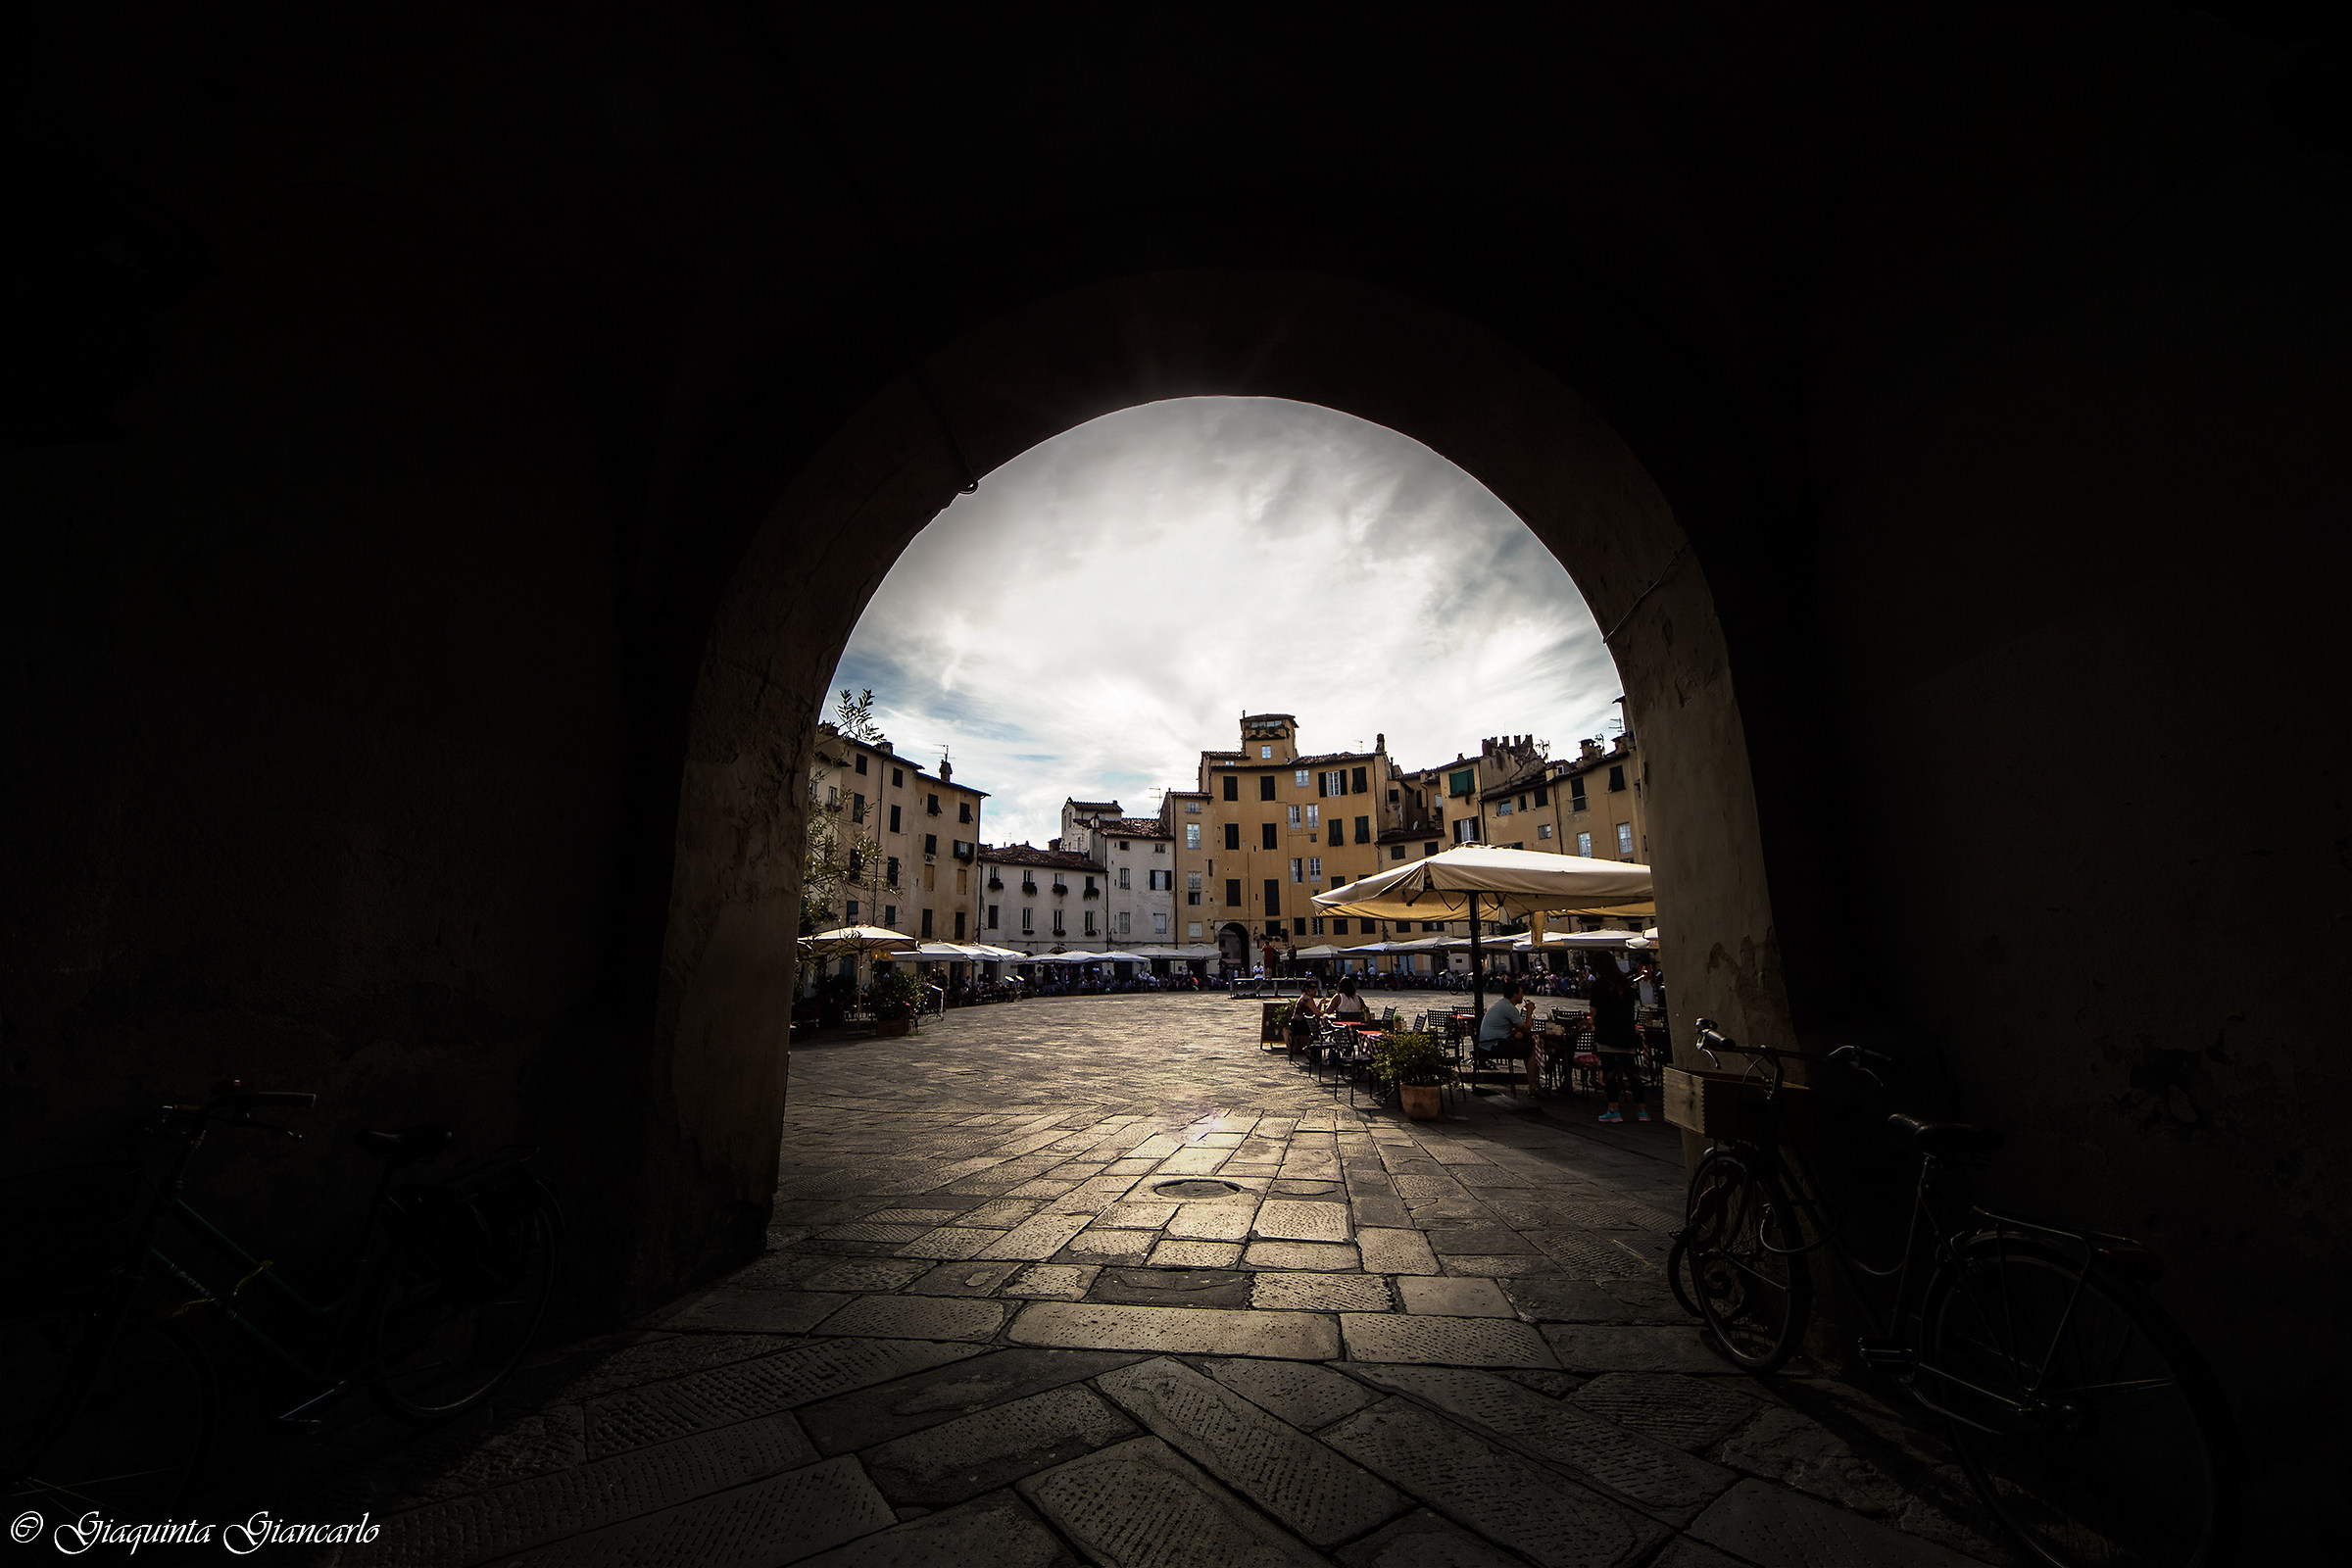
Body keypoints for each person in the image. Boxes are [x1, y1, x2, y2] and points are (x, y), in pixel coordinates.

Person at [1587, 956, 1646, 1123]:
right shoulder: (1625, 983)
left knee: (1610, 1073)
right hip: (1626, 1033)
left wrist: (1593, 1021)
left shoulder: (1599, 985)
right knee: (1632, 1072)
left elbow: (1593, 1010)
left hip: (1607, 1033)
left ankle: (1614, 1109)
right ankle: (1642, 1110)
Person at [1476, 979, 1533, 1089]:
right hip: (1493, 1045)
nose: (1523, 996)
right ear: (1515, 995)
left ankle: (1533, 1084)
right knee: (1530, 1049)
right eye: (1521, 993)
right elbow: (1527, 1028)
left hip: (1485, 1043)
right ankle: (1533, 1086)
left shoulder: (1502, 1004)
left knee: (1525, 1044)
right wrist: (1529, 1012)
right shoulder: (1509, 1008)